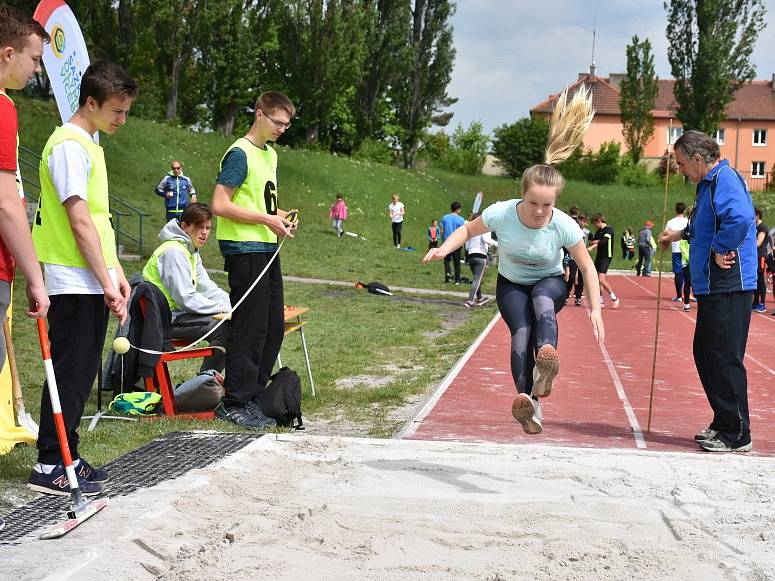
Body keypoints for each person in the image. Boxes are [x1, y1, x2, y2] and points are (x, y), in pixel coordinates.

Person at [423, 87, 604, 435]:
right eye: (533, 202)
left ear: (556, 203)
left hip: (550, 283)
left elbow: (586, 267)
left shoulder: (564, 225)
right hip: (510, 284)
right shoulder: (502, 213)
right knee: (520, 334)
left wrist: (595, 309)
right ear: (522, 195)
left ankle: (547, 354)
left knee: (541, 302)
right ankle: (529, 403)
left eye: (546, 205)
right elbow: (466, 229)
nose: (539, 211)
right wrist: (444, 249)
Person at [28, 60, 137, 496]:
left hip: (92, 276)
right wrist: (107, 284)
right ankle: (50, 461)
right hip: (70, 277)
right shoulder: (69, 146)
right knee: (71, 369)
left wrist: (116, 272)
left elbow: (99, 219)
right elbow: (77, 222)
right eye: (117, 111)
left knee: (83, 369)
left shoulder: (91, 144)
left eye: (126, 111)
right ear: (91, 103)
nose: (122, 120)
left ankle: (67, 453)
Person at [660, 129, 756, 453]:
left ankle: (737, 433)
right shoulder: (707, 185)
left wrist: (719, 247)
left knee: (724, 356)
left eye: (682, 163)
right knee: (705, 352)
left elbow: (740, 218)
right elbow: (704, 224)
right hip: (712, 285)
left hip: (730, 283)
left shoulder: (724, 179)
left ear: (699, 159)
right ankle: (723, 421)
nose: (680, 170)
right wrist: (677, 236)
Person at [211, 90, 297, 430]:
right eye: (278, 122)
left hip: (266, 246)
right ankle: (234, 400)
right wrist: (266, 220)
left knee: (273, 325)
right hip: (243, 248)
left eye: (287, 125)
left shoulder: (270, 155)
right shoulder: (239, 153)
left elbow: (262, 203)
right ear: (259, 115)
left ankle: (254, 396)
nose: (281, 129)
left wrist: (281, 216)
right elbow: (220, 204)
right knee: (250, 326)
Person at [0, 5, 50, 369]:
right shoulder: (3, 108)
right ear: (8, 53)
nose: (37, 69)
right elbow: (4, 203)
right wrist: (36, 278)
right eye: (34, 58)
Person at [142, 203, 230, 372]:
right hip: (164, 320)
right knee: (225, 328)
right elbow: (186, 299)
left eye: (208, 228)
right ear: (185, 227)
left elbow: (208, 289)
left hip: (176, 316)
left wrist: (235, 305)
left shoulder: (190, 251)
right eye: (199, 227)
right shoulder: (174, 251)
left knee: (232, 323)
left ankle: (209, 383)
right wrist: (224, 309)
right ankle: (207, 382)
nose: (204, 232)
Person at [588, 213, 620, 308]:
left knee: (601, 279)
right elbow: (593, 240)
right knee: (597, 280)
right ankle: (601, 301)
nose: (594, 226)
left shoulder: (609, 230)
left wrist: (593, 246)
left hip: (606, 256)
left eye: (594, 224)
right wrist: (595, 242)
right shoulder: (599, 231)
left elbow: (604, 240)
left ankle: (614, 298)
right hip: (599, 256)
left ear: (599, 221)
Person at [464, 212, 490, 308]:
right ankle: (470, 300)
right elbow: (486, 240)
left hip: (471, 256)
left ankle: (479, 298)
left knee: (476, 278)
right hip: (481, 256)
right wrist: (497, 244)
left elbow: (466, 247)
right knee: (477, 279)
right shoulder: (483, 228)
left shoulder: (470, 230)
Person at [665, 202, 689, 301]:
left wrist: (673, 233)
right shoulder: (688, 221)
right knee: (689, 272)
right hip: (687, 250)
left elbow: (666, 233)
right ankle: (691, 295)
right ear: (684, 210)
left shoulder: (670, 222)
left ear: (676, 210)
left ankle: (679, 296)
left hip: (676, 249)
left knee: (678, 272)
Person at [440, 201, 465, 284]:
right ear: (457, 209)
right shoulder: (461, 219)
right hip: (456, 243)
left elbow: (442, 231)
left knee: (447, 260)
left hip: (447, 242)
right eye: (460, 209)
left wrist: (443, 241)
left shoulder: (445, 218)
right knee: (456, 262)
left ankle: (448, 273)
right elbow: (462, 232)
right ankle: (457, 280)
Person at [752, 208, 768, 313]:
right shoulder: (755, 227)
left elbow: (758, 243)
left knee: (761, 279)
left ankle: (762, 303)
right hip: (754, 256)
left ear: (757, 215)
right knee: (756, 279)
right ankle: (756, 302)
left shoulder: (762, 227)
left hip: (760, 256)